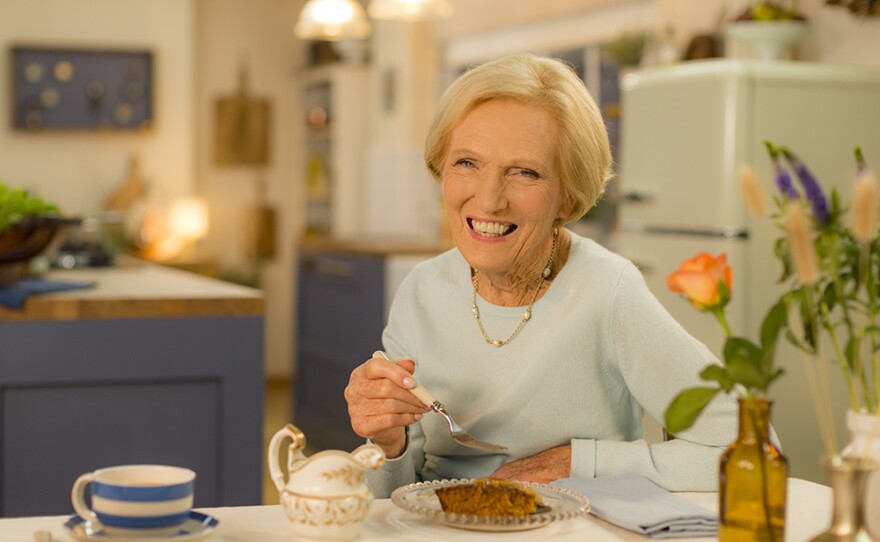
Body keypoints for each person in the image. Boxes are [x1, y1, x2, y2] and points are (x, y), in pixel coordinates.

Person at [343, 53, 738, 499]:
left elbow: (748, 450)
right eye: (467, 163)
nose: (488, 200)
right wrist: (388, 443)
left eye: (524, 172)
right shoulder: (422, 290)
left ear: (567, 199)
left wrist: (578, 462)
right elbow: (393, 497)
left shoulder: (607, 292)